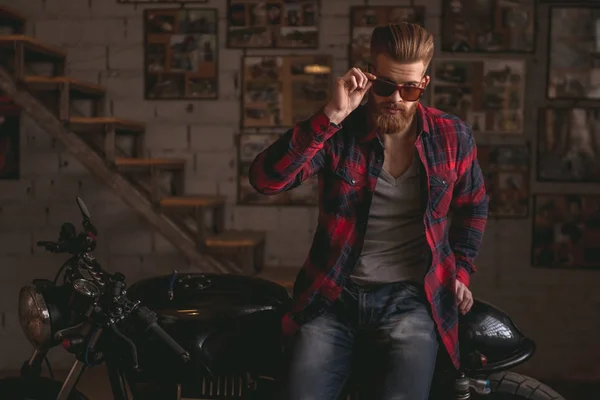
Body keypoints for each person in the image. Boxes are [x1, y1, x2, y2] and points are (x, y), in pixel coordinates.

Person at [248, 22, 488, 400]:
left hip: (410, 301)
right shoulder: (340, 132)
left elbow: (474, 206)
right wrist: (331, 115)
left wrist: (460, 270)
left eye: (409, 88)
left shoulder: (452, 135)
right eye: (385, 86)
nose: (397, 99)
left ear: (423, 83)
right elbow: (266, 180)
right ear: (369, 76)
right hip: (334, 297)